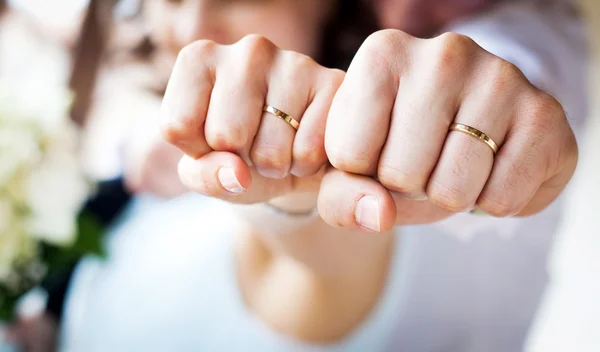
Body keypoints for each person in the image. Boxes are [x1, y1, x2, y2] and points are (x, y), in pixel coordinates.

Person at [61, 0, 587, 351]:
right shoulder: (149, 151)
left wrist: (298, 194)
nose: (196, 27)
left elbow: (330, 265)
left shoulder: (377, 156)